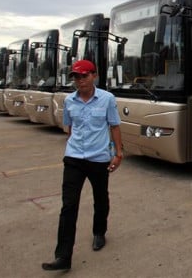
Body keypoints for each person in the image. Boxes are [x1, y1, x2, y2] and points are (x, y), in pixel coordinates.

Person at [42, 59, 123, 271]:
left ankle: (99, 232)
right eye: (76, 77)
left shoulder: (107, 99)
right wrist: (73, 147)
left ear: (94, 76)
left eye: (84, 76)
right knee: (68, 206)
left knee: (100, 198)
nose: (80, 81)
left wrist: (118, 154)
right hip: (74, 158)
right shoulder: (69, 101)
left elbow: (114, 127)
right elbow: (70, 129)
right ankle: (63, 256)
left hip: (99, 159)